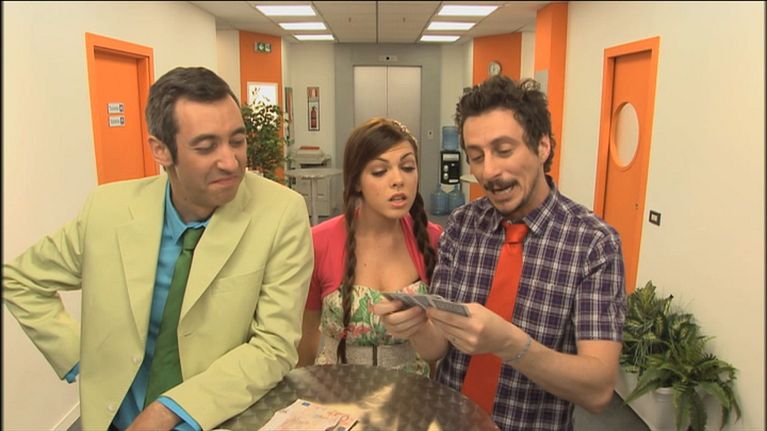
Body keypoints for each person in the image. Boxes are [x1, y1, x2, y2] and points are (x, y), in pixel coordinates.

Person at [3, 67, 314, 431]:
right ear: (161, 150)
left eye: (237, 141)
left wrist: (166, 410)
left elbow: (274, 347)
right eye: (206, 146)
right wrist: (81, 358)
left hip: (215, 418)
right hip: (116, 420)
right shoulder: (108, 211)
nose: (230, 162)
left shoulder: (281, 213)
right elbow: (20, 279)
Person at [374, 76, 626, 430]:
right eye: (476, 157)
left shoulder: (593, 244)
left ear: (543, 146)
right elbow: (437, 348)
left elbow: (598, 390)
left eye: (504, 151)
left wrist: (510, 344)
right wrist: (415, 326)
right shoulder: (462, 225)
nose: (489, 171)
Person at [297, 118, 443, 377]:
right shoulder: (318, 242)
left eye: (408, 167)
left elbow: (439, 347)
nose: (398, 180)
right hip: (335, 390)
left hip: (413, 393)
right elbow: (306, 336)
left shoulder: (434, 239)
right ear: (356, 182)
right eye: (379, 171)